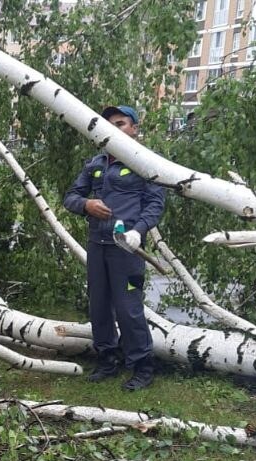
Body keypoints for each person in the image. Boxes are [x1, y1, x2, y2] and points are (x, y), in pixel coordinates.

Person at [62, 105, 166, 391]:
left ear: (134, 129)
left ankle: (142, 365)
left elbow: (155, 204)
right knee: (99, 307)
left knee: (128, 308)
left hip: (127, 251)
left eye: (120, 124)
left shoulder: (146, 163)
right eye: (109, 125)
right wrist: (86, 205)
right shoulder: (96, 164)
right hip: (98, 246)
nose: (114, 129)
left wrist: (138, 231)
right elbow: (70, 197)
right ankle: (108, 358)